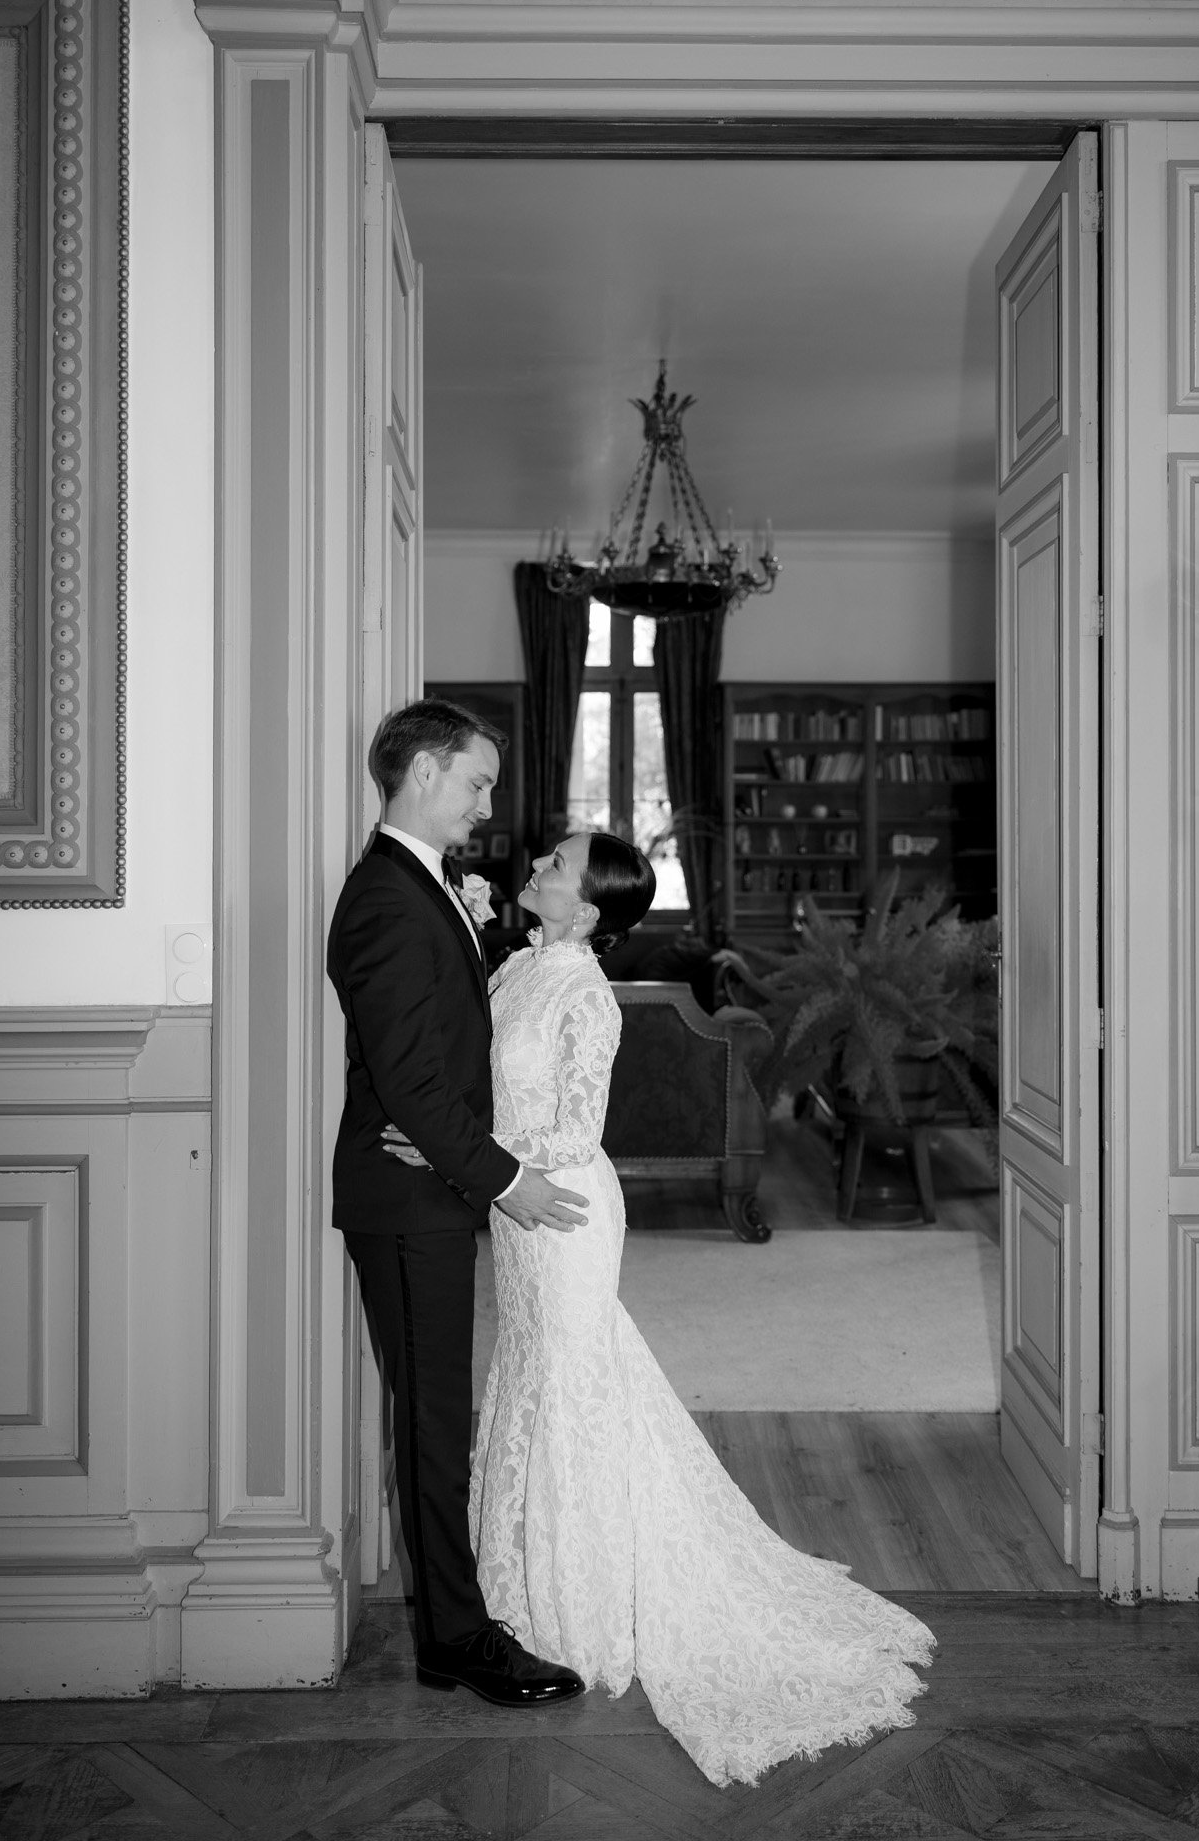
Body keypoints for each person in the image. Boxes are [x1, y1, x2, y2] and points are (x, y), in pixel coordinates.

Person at [385, 829, 936, 1787]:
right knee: (543, 1376)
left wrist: (450, 1150)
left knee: (568, 1382)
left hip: (560, 1208)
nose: (538, 867)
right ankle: (524, 1582)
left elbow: (569, 1129)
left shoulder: (587, 996)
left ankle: (578, 1602)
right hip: (520, 1207)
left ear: (588, 909)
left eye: (555, 865)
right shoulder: (519, 962)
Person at [327, 695, 591, 1708]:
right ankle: (456, 1638)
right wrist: (507, 1180)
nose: (485, 802)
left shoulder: (417, 884)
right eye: (477, 779)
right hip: (407, 1197)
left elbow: (435, 1054)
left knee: (441, 1413)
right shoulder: (390, 895)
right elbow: (408, 1076)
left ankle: (452, 1624)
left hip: (425, 1184)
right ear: (426, 769)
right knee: (436, 1421)